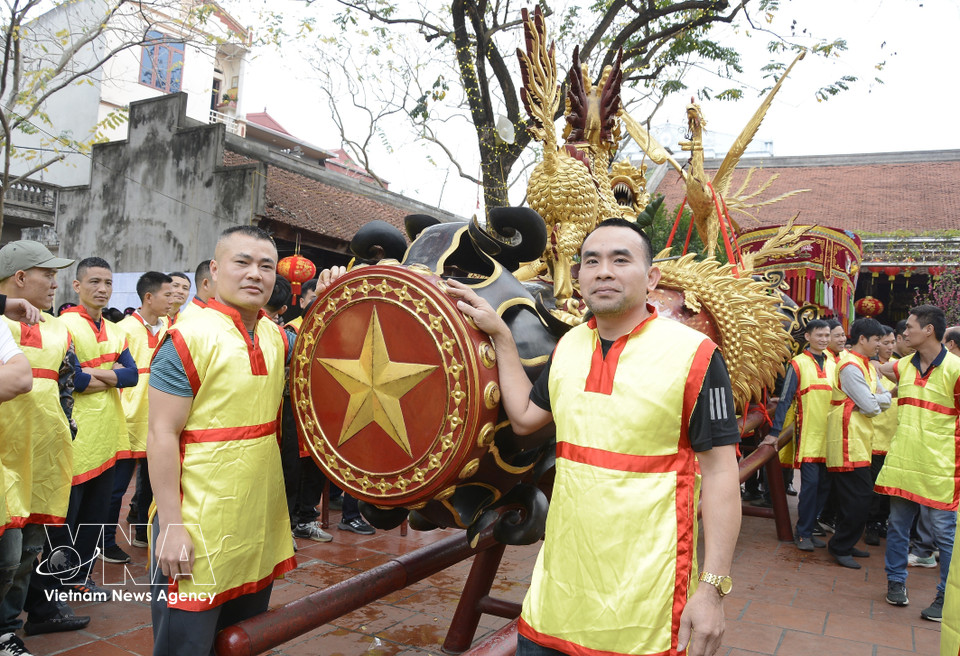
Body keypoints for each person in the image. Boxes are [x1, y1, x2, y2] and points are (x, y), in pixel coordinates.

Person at [448, 218, 741, 656]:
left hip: (647, 607)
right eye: (591, 261)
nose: (604, 271)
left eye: (620, 260)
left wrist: (713, 589)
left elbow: (721, 474)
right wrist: (503, 338)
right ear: (579, 276)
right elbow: (527, 418)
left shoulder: (695, 355)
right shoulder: (568, 347)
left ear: (652, 278)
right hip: (557, 595)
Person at [148, 226, 297, 655]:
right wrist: (172, 526)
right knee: (186, 645)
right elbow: (161, 434)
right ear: (215, 270)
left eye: (266, 266)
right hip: (199, 519)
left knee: (244, 640)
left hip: (256, 518)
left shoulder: (275, 336)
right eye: (242, 262)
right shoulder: (186, 337)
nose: (255, 274)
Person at [0, 242, 89, 654]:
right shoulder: (3, 324)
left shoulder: (59, 327)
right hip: (5, 453)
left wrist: (65, 426)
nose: (55, 283)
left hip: (44, 453)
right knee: (6, 552)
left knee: (30, 550)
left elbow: (66, 383)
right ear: (20, 278)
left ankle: (9, 627)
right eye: (47, 274)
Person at [52, 257, 139, 597]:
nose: (102, 289)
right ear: (77, 286)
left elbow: (131, 377)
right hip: (75, 433)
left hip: (107, 433)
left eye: (107, 282)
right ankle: (58, 578)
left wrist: (96, 377)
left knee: (95, 512)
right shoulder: (63, 326)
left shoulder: (117, 330)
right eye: (94, 282)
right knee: (67, 516)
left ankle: (79, 576)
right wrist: (111, 376)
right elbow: (72, 379)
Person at [875, 305, 959, 622]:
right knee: (897, 527)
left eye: (909, 327)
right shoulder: (903, 366)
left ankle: (945, 598)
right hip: (903, 461)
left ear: (928, 330)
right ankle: (896, 583)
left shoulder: (956, 370)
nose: (903, 332)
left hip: (941, 466)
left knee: (945, 537)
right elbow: (876, 369)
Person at [102, 272, 175, 564]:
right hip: (128, 417)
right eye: (167, 295)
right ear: (149, 297)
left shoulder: (170, 326)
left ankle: (144, 532)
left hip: (159, 416)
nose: (173, 300)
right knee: (117, 486)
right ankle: (105, 541)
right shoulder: (124, 329)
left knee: (155, 481)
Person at [763, 319, 835, 552]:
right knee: (811, 486)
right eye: (819, 335)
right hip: (808, 436)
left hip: (832, 436)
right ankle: (803, 532)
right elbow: (784, 401)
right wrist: (775, 433)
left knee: (825, 487)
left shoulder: (835, 362)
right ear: (808, 337)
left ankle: (810, 527)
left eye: (827, 335)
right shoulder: (797, 363)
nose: (824, 339)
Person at [823, 317, 890, 569]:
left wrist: (876, 400)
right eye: (876, 341)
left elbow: (880, 399)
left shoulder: (867, 366)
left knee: (856, 496)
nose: (879, 346)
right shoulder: (851, 366)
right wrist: (877, 400)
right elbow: (874, 406)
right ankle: (840, 545)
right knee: (857, 497)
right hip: (846, 440)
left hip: (858, 439)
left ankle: (845, 542)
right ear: (862, 339)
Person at [864, 325, 897, 546]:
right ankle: (871, 525)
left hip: (894, 439)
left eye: (892, 342)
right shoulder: (870, 368)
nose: (889, 346)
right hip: (875, 437)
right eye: (885, 342)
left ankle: (882, 521)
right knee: (874, 486)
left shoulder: (899, 367)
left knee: (889, 488)